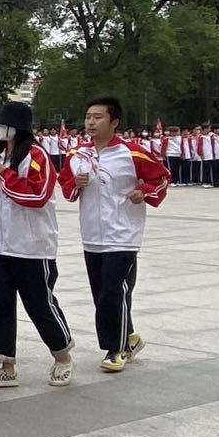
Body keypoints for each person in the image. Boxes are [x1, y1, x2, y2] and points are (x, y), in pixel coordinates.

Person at [59, 96, 169, 374]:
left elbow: (161, 177)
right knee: (102, 294)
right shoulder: (77, 154)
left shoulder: (133, 153)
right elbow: (66, 187)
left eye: (98, 117)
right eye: (88, 117)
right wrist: (75, 183)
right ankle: (130, 337)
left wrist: (143, 192)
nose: (91, 122)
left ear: (114, 122)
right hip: (92, 234)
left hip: (123, 234)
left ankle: (115, 348)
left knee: (113, 291)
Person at [0, 101, 74, 389]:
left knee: (39, 304)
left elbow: (37, 195)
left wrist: (4, 178)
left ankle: (62, 356)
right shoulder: (0, 156)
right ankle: (5, 365)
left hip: (31, 246)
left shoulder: (35, 155)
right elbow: (6, 191)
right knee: (0, 304)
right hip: (0, 244)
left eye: (3, 124)